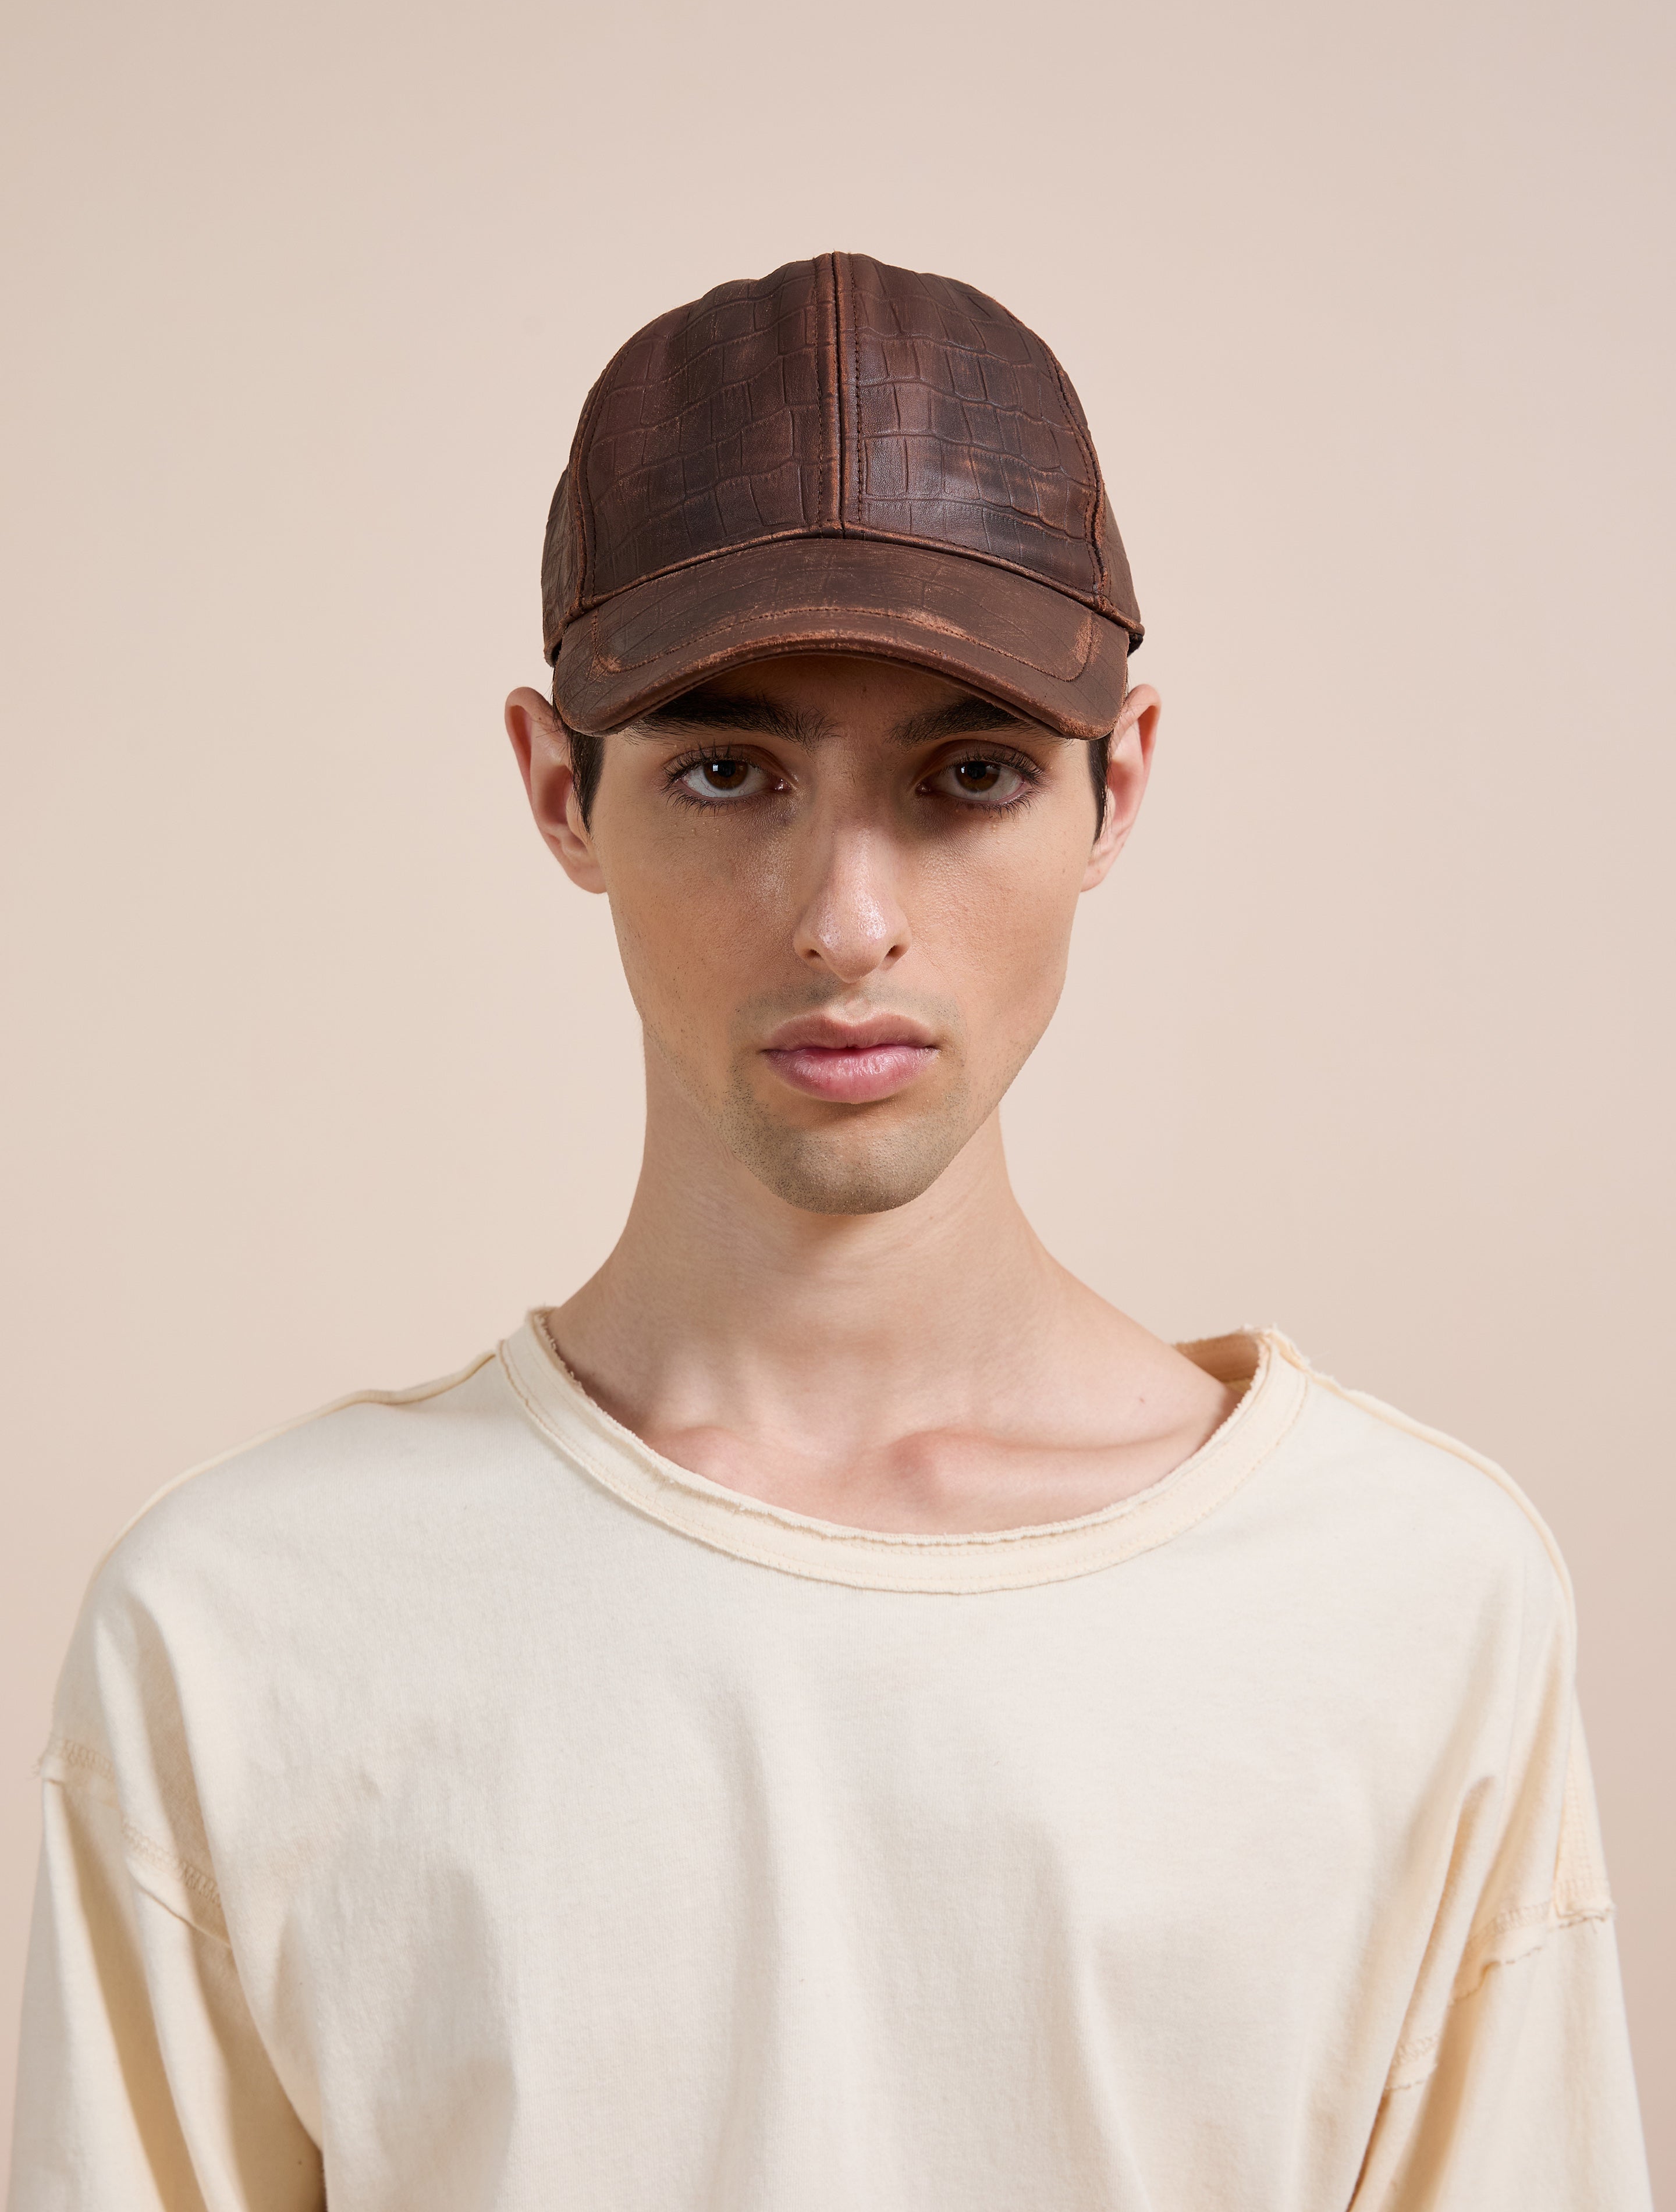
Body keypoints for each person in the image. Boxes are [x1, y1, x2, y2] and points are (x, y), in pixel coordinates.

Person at [8, 254, 1650, 2211]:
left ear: (1116, 788)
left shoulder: (1406, 1596)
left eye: (968, 774)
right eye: (729, 770)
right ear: (559, 791)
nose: (847, 918)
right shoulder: (245, 1631)